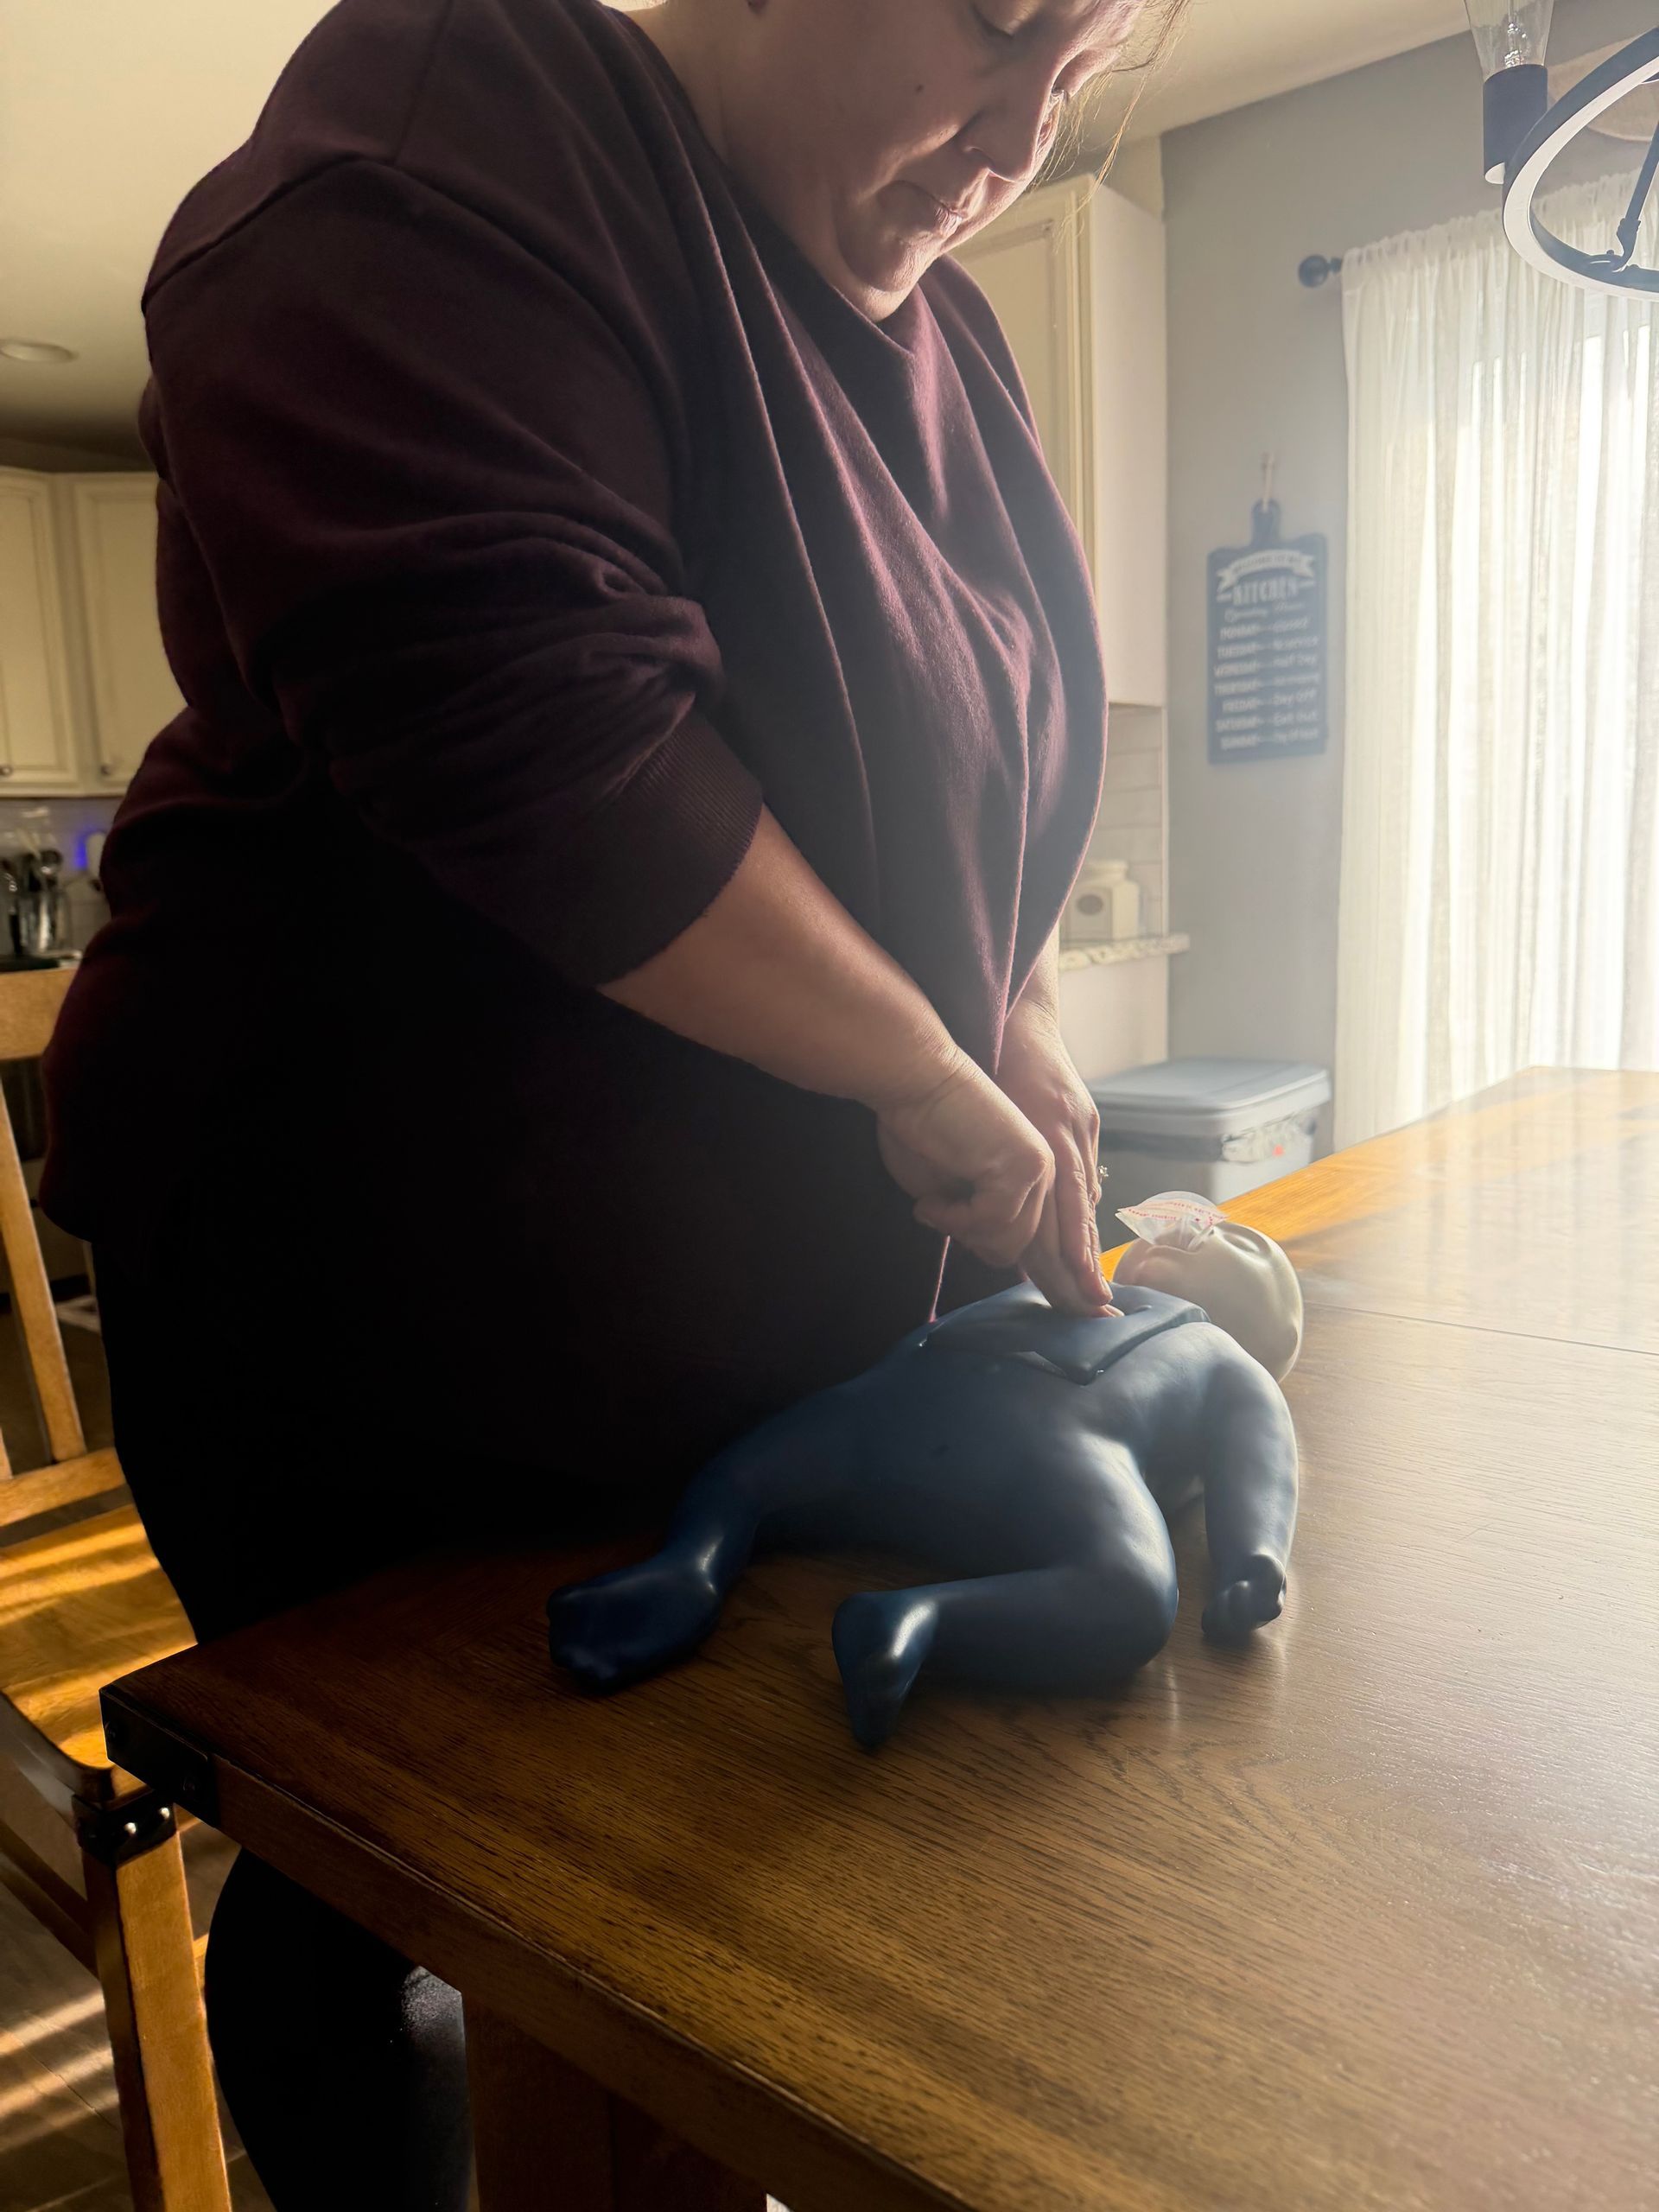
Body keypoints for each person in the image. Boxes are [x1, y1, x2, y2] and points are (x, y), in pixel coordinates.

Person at [41, 0, 1185, 2202]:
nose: (1022, 128)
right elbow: (535, 735)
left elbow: (981, 782)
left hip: (730, 1351)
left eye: (1093, 58)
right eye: (994, 21)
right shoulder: (452, 126)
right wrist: (914, 1059)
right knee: (401, 1874)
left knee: (709, 1895)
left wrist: (1017, 998)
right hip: (383, 1322)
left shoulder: (962, 351)